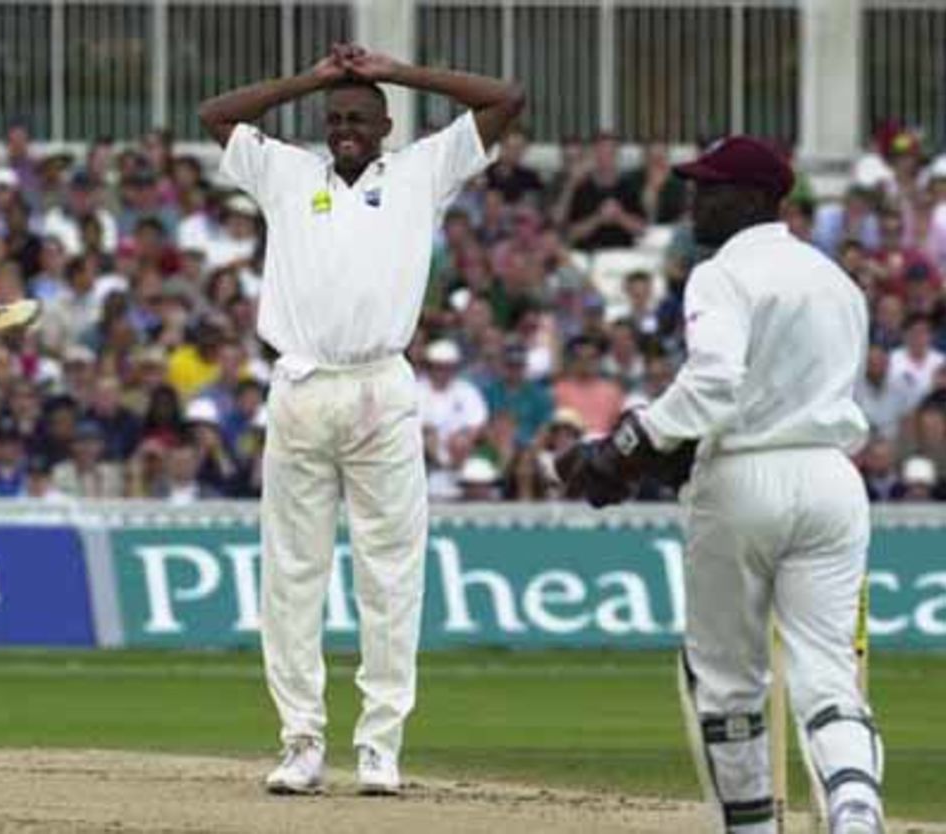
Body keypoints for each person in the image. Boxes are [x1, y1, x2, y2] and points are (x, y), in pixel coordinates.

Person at [198, 42, 523, 796]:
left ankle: (380, 744)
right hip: (301, 384)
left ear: (384, 126)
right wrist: (310, 82)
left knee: (390, 575)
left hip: (381, 384)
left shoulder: (420, 171)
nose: (345, 128)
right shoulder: (285, 171)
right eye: (334, 117)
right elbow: (215, 115)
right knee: (292, 575)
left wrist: (395, 73)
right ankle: (302, 741)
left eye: (359, 118)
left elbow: (504, 98)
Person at [556, 136, 886, 834]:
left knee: (728, 682)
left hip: (742, 481)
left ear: (760, 199)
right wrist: (655, 454)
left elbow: (714, 388)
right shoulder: (837, 281)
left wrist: (626, 446)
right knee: (828, 674)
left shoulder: (720, 274)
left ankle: (752, 827)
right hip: (831, 479)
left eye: (710, 187)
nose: (693, 198)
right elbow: (777, 392)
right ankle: (855, 810)